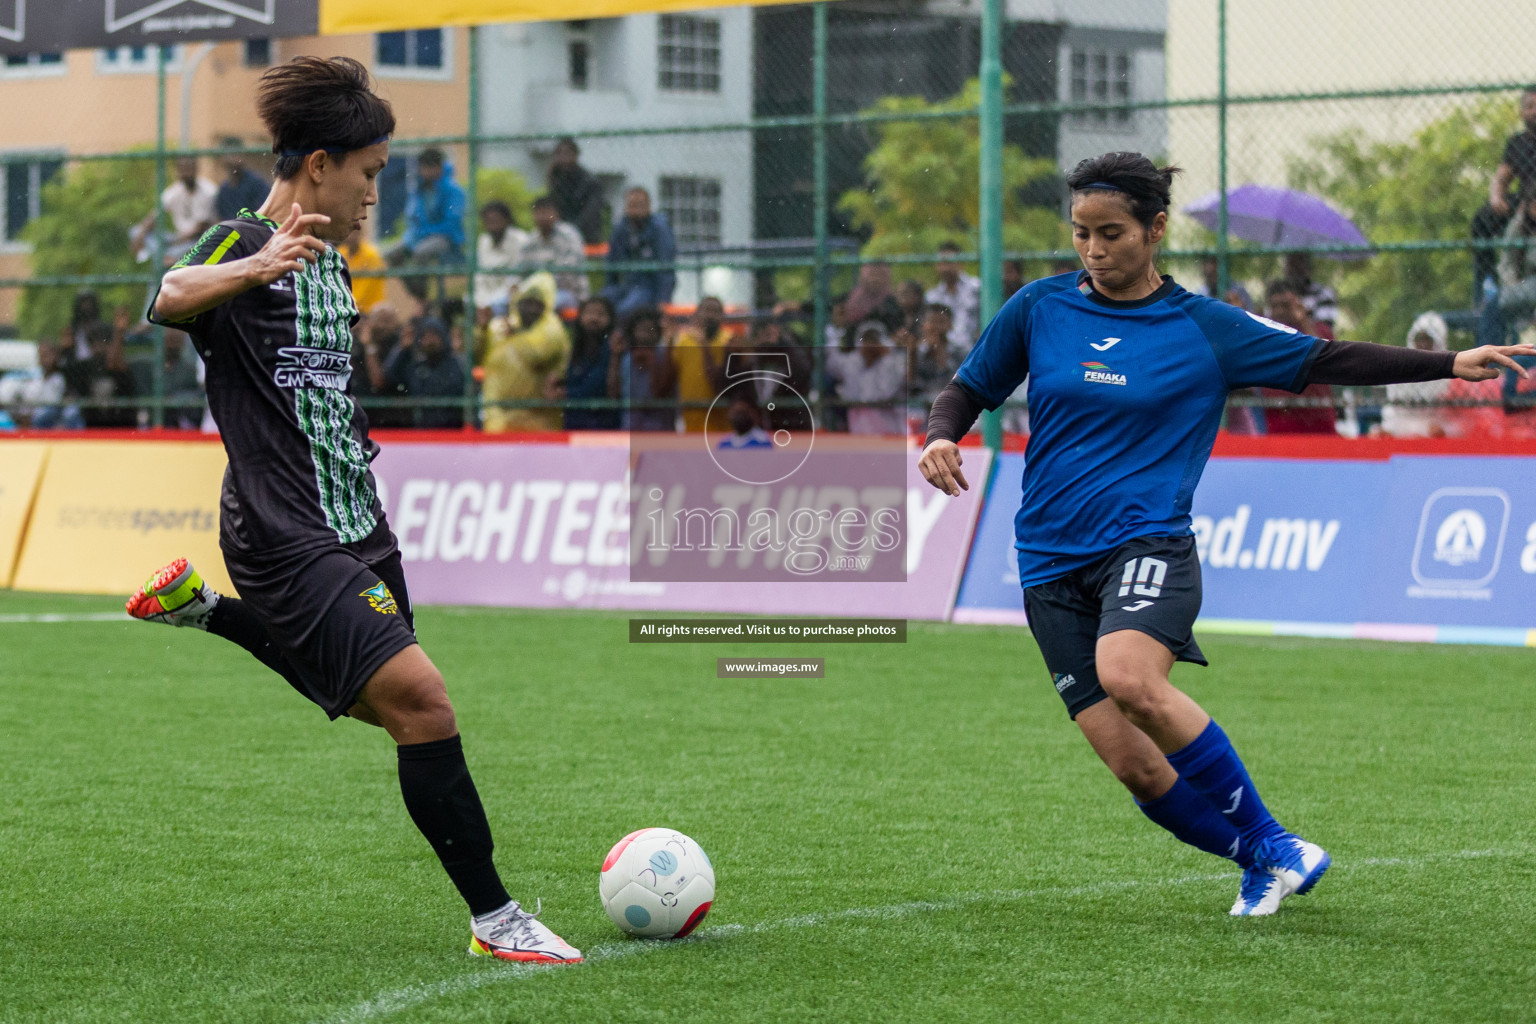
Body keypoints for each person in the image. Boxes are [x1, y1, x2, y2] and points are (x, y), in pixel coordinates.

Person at [918, 150, 1533, 918]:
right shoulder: (1040, 308)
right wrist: (942, 434)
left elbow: (1325, 359)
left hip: (1146, 546)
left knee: (1132, 678)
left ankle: (1276, 843)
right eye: (1081, 233)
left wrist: (1447, 361)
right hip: (1045, 564)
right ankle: (1255, 861)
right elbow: (970, 387)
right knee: (1136, 770)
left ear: (1156, 229)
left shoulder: (1205, 328)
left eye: (1111, 232)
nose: (1094, 249)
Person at [121, 56, 581, 964]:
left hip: (358, 524)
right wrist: (251, 269)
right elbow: (165, 298)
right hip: (282, 531)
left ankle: (205, 611)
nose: (378, 191)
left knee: (382, 708)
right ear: (321, 162)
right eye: (370, 172)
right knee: (424, 700)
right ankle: (497, 918)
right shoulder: (241, 238)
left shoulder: (332, 263)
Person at [481, 272, 570, 432]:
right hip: (498, 420)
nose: (531, 309)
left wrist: (514, 336)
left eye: (537, 304)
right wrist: (480, 328)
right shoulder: (502, 327)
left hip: (540, 422)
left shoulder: (552, 328)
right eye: (527, 303)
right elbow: (476, 354)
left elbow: (537, 353)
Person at [1471, 88, 1536, 297]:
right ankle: (1486, 284)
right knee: (1482, 220)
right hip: (1525, 200)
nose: (1535, 111)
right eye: (1530, 107)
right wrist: (1496, 197)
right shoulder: (1518, 142)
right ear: (1522, 112)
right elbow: (1502, 177)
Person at [1256, 280, 1337, 434]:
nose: (1280, 311)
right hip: (1278, 425)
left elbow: (1325, 357)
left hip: (1318, 423)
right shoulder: (1265, 335)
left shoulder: (1318, 330)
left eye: (1285, 305)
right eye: (1275, 306)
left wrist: (1303, 320)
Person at [386, 148, 466, 301]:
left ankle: (426, 298)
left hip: (446, 237)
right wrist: (413, 237)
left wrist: (424, 233)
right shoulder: (419, 189)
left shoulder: (454, 191)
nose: (425, 172)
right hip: (420, 236)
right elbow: (413, 219)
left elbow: (452, 224)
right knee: (392, 255)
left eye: (429, 167)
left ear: (439, 167)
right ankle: (420, 296)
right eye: (423, 167)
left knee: (421, 252)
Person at [604, 187, 676, 319]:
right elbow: (611, 263)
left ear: (648, 206)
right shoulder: (621, 227)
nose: (635, 209)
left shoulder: (659, 228)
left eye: (640, 205)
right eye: (632, 205)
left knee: (626, 309)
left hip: (649, 286)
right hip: (627, 284)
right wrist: (611, 286)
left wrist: (663, 299)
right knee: (600, 305)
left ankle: (620, 337)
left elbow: (666, 269)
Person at [385, 315, 467, 429]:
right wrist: (402, 349)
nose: (429, 341)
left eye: (434, 336)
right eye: (425, 337)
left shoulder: (458, 364)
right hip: (422, 433)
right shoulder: (416, 367)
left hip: (452, 432)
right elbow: (391, 376)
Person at [827, 320, 906, 435]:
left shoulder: (890, 362)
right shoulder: (851, 362)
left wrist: (887, 353)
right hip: (857, 429)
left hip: (888, 431)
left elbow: (886, 392)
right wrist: (835, 330)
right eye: (866, 340)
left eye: (874, 340)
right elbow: (830, 361)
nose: (870, 344)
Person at [134, 156, 218, 264]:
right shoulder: (175, 190)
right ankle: (162, 255)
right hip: (176, 238)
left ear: (196, 169)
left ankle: (161, 256)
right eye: (183, 169)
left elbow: (200, 228)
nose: (186, 173)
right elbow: (155, 214)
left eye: (189, 169)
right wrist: (140, 235)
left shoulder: (208, 191)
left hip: (198, 241)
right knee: (135, 231)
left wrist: (175, 243)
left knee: (166, 259)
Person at [608, 305, 676, 432]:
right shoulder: (626, 357)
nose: (645, 334)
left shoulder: (664, 355)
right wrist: (615, 356)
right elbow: (615, 392)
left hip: (660, 425)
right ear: (633, 331)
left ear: (658, 332)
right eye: (641, 329)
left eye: (650, 329)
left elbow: (661, 390)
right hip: (631, 425)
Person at [670, 295, 730, 432]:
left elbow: (719, 384)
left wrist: (704, 344)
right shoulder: (684, 341)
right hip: (691, 425)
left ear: (722, 316)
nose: (710, 315)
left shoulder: (728, 341)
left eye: (715, 311)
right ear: (697, 314)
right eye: (706, 310)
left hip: (721, 427)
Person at [520, 196, 588, 310]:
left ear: (556, 214)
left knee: (538, 306)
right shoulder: (530, 240)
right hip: (535, 294)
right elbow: (520, 269)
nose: (542, 217)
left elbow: (567, 276)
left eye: (546, 212)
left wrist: (537, 287)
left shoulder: (569, 236)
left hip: (568, 293)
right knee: (503, 303)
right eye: (538, 213)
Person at [562, 296, 619, 430]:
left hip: (603, 423)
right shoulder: (577, 346)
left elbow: (596, 386)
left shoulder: (612, 346)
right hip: (574, 422)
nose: (594, 318)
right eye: (589, 313)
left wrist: (563, 393)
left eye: (600, 314)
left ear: (610, 319)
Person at [547, 137, 605, 244]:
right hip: (561, 235)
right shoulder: (556, 179)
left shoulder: (589, 181)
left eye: (567, 153)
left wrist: (570, 231)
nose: (563, 158)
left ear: (575, 155)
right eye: (559, 154)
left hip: (586, 235)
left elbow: (591, 212)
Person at [926, 241, 982, 352]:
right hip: (946, 353)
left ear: (960, 263)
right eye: (942, 263)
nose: (945, 268)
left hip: (973, 348)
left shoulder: (976, 288)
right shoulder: (932, 297)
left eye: (949, 263)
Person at [473, 200, 525, 315]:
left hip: (510, 295)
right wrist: (482, 302)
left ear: (507, 221)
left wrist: (491, 303)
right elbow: (480, 278)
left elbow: (516, 278)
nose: (492, 226)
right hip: (486, 295)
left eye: (496, 221)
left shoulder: (519, 240)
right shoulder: (483, 240)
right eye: (488, 222)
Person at [1280, 252, 1338, 338]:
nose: (1294, 271)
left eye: (1297, 266)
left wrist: (1302, 318)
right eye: (1290, 265)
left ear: (1307, 268)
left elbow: (1326, 327)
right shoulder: (1281, 293)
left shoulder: (1323, 293)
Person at [215, 138, 271, 221]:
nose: (234, 159)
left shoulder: (256, 183)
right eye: (229, 155)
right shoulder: (224, 190)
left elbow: (265, 214)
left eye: (236, 154)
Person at [339, 227, 388, 315]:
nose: (350, 237)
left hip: (370, 309)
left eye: (354, 233)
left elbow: (368, 287)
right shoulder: (341, 253)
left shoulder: (371, 255)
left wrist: (349, 302)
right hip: (349, 307)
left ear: (360, 234)